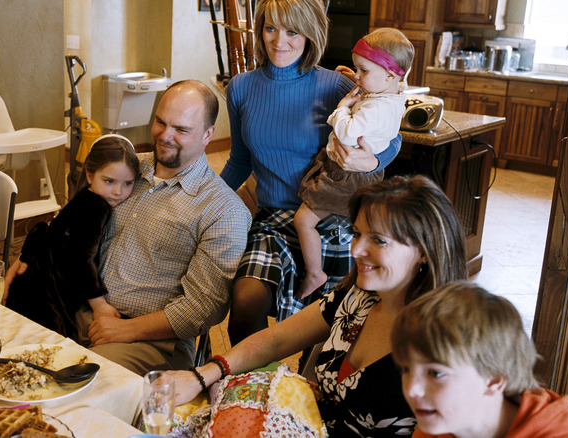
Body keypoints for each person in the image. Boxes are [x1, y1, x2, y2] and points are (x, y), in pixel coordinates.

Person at [170, 175, 469, 437]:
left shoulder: (446, 346)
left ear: (424, 251)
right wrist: (202, 375)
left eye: (378, 240)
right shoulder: (356, 298)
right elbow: (276, 339)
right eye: (357, 234)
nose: (356, 250)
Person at [6, 80, 252, 375]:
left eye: (181, 129)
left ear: (208, 134)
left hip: (147, 339)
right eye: (160, 122)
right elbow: (72, 223)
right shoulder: (126, 168)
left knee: (78, 382)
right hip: (72, 305)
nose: (165, 135)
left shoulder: (224, 210)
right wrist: (31, 255)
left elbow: (202, 308)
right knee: (2, 352)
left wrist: (126, 329)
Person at [219, 0, 403, 345]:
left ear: (310, 34)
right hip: (272, 220)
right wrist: (202, 199)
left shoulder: (337, 86)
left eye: (292, 31)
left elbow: (391, 135)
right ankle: (254, 379)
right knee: (245, 301)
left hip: (333, 219)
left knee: (329, 330)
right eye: (270, 28)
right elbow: (239, 161)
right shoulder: (240, 88)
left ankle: (309, 375)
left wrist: (374, 162)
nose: (279, 41)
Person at [295, 28, 414, 298]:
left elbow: (348, 132)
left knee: (302, 220)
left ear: (390, 75)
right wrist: (359, 79)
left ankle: (315, 273)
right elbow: (376, 102)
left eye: (363, 70)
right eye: (356, 69)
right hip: (358, 175)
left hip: (346, 176)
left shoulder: (375, 108)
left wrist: (342, 107)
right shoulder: (391, 95)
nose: (357, 76)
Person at [391, 281, 568, 438]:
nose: (411, 389)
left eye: (435, 373)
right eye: (406, 369)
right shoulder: (436, 427)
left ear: (493, 379)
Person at [3, 135, 140, 339]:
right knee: (50, 338)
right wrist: (99, 304)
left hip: (36, 273)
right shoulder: (97, 207)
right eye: (109, 181)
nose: (118, 191)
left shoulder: (84, 196)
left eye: (128, 183)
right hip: (51, 285)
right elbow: (81, 257)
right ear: (90, 176)